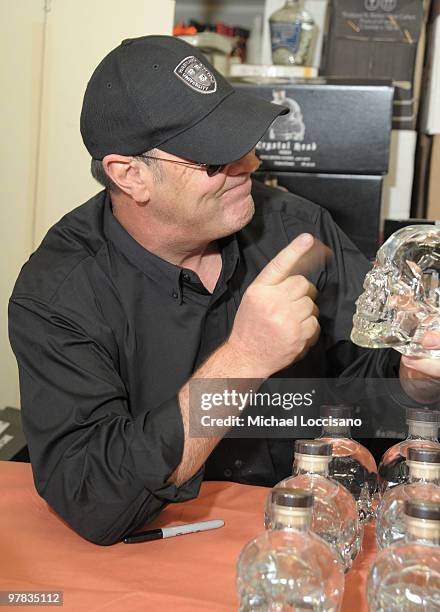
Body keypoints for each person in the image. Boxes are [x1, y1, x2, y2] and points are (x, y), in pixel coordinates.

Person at [9, 35, 440, 545]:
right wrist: (243, 360)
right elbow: (93, 497)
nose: (250, 167)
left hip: (299, 532)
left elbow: (369, 386)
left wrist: (415, 371)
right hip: (156, 553)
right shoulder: (62, 293)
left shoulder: (297, 233)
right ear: (129, 175)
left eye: (245, 141)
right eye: (214, 160)